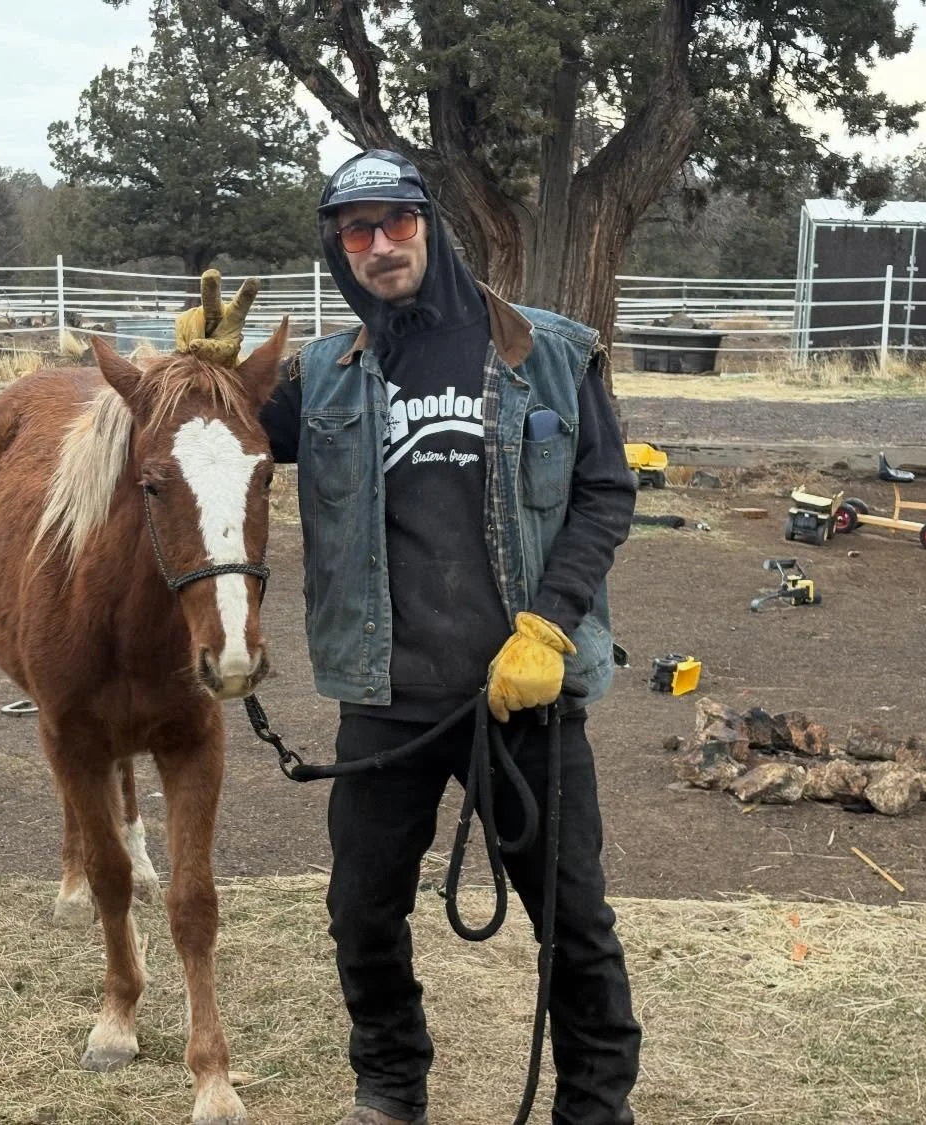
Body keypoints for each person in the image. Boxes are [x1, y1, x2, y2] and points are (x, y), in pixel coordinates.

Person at [256, 149, 642, 1125]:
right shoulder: (322, 378)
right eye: (357, 231)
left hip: (524, 700)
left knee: (574, 923)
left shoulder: (550, 353)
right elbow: (214, 433)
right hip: (387, 699)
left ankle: (596, 1109)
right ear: (340, 250)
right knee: (361, 914)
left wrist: (549, 626)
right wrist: (206, 370)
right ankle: (390, 1086)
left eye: (396, 222)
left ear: (430, 224)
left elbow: (605, 492)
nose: (380, 245)